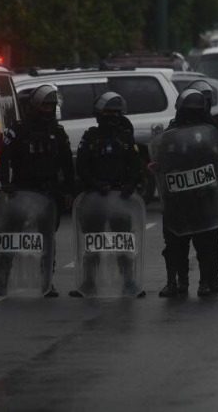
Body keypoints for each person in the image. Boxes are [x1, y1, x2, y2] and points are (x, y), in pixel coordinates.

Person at [0, 84, 75, 297]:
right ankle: (2, 280)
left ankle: (47, 281)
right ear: (36, 106)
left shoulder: (57, 132)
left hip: (48, 193)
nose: (48, 110)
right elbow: (4, 158)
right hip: (22, 191)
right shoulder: (18, 129)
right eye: (45, 106)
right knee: (12, 237)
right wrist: (5, 182)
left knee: (47, 238)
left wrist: (68, 190)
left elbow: (67, 163)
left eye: (52, 106)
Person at [71, 92, 145, 298]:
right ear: (99, 113)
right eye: (108, 112)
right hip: (96, 199)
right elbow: (82, 166)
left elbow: (136, 165)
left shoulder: (125, 138)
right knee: (92, 242)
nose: (113, 116)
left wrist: (131, 184)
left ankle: (129, 281)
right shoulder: (90, 136)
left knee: (123, 241)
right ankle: (88, 282)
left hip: (121, 200)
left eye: (116, 112)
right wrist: (95, 184)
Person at [158, 88, 218, 299]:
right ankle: (176, 282)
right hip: (178, 197)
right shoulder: (171, 131)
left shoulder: (210, 128)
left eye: (196, 111)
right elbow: (161, 157)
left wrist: (209, 121)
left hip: (204, 194)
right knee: (175, 243)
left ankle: (209, 280)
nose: (192, 115)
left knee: (208, 242)